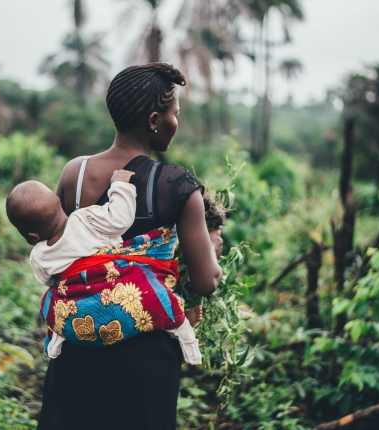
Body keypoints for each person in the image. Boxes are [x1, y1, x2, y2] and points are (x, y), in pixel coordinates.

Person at [37, 62, 223, 430]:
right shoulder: (175, 184)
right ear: (154, 119)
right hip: (144, 360)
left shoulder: (74, 174)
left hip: (79, 344)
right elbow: (205, 283)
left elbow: (58, 251)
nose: (176, 122)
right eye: (174, 114)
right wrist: (212, 249)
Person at [5, 170, 203, 365]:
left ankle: (56, 341)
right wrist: (120, 185)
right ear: (58, 203)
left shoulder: (39, 255)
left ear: (32, 237)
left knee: (50, 302)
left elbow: (48, 281)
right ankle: (184, 333)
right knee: (152, 293)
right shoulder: (85, 218)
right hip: (116, 291)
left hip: (80, 314)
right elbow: (120, 219)